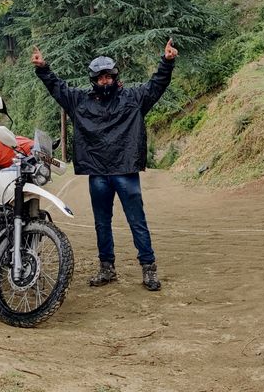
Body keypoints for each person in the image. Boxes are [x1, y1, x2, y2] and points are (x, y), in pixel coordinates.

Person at [31, 38, 178, 291]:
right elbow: (58, 88)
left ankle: (149, 268)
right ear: (93, 79)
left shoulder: (134, 98)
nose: (105, 81)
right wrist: (43, 68)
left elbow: (157, 85)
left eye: (108, 76)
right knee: (102, 222)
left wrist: (167, 61)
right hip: (98, 173)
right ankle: (106, 267)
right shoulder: (79, 101)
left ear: (115, 75)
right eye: (100, 78)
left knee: (137, 220)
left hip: (125, 170)